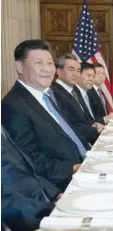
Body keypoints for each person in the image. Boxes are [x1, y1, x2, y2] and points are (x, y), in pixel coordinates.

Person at [1, 39, 87, 190]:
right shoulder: (13, 105)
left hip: (84, 162)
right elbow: (28, 158)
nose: (47, 69)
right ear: (20, 67)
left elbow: (68, 132)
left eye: (49, 63)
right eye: (39, 63)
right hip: (62, 181)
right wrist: (73, 169)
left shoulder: (47, 95)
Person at [1, 126, 60, 231]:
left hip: (42, 204)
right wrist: (49, 209)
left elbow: (26, 168)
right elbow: (5, 202)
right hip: (28, 219)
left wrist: (54, 193)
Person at [51, 54, 101, 144]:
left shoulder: (75, 90)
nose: (75, 74)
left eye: (78, 71)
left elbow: (84, 119)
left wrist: (96, 125)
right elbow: (69, 127)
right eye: (71, 69)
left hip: (88, 138)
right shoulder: (54, 93)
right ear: (59, 71)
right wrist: (96, 131)